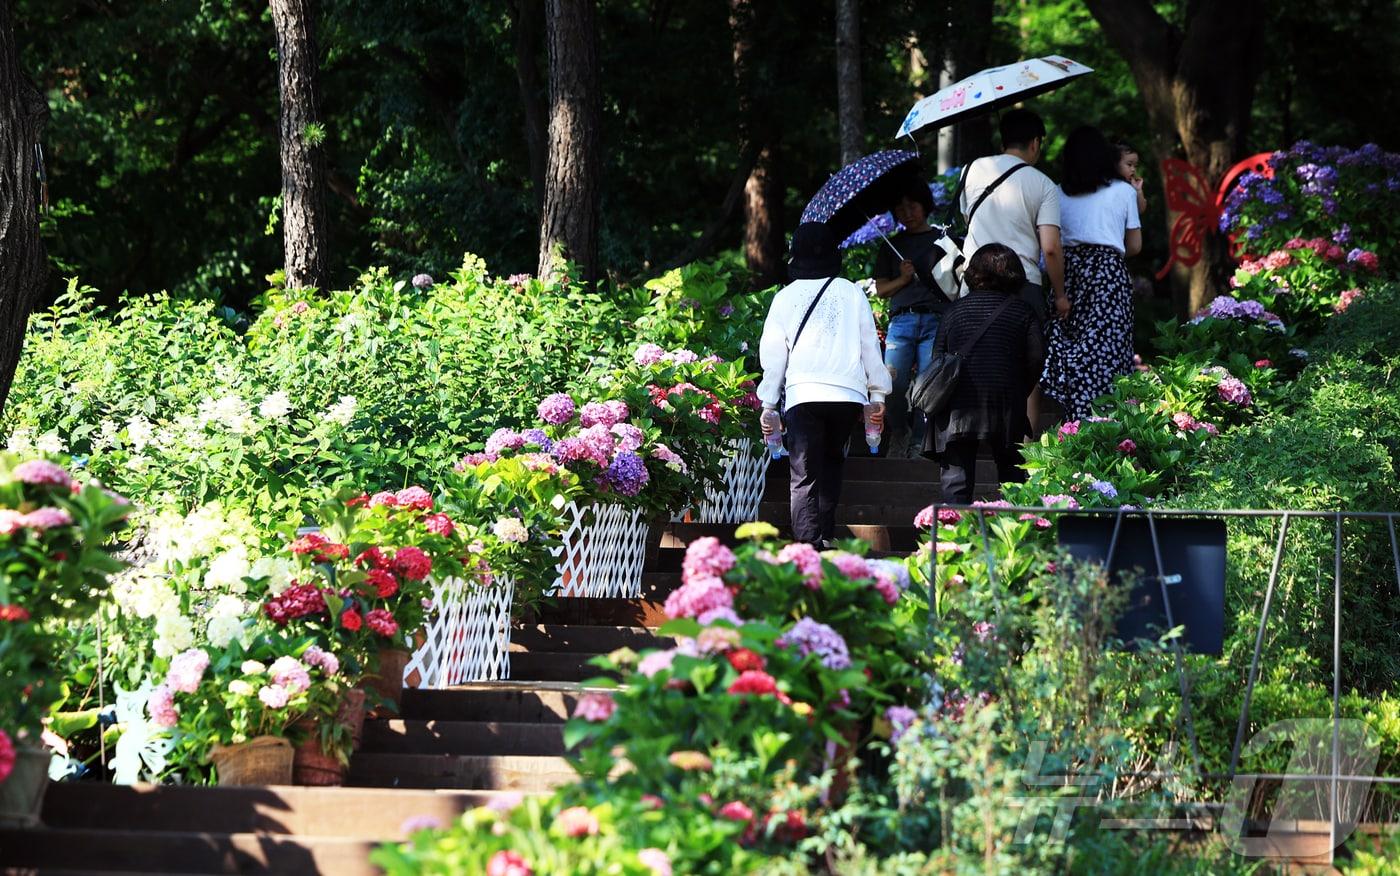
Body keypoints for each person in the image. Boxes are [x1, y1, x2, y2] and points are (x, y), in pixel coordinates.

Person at [757, 222, 891, 548]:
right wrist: (877, 393)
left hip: (804, 393)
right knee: (832, 463)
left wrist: (769, 402)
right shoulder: (852, 292)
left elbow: (774, 355)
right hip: (847, 394)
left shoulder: (785, 297)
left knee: (803, 472)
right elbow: (869, 346)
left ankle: (807, 544)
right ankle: (826, 537)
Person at [957, 108, 1066, 434]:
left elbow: (967, 221)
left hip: (974, 285)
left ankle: (973, 436)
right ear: (1035, 142)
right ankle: (1025, 446)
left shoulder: (971, 170)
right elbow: (1050, 247)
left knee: (974, 360)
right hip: (1024, 285)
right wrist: (1060, 295)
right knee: (1028, 367)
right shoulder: (1043, 184)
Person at [923, 243, 1044, 504]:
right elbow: (1036, 359)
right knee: (1012, 474)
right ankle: (1015, 534)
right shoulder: (1024, 312)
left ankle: (951, 539)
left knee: (956, 480)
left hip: (958, 406)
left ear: (973, 274)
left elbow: (938, 357)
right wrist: (1019, 389)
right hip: (1006, 403)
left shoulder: (954, 311)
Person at [1040, 126, 1143, 420]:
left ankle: (1069, 424)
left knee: (1070, 352)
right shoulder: (1124, 192)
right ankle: (1105, 425)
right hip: (1109, 277)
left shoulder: (1056, 193)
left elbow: (1050, 246)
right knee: (1109, 353)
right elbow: (1134, 246)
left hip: (1067, 273)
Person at [873, 181, 950, 458]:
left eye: (913, 206)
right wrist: (903, 279)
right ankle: (900, 431)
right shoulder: (892, 246)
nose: (907, 213)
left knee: (928, 385)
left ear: (925, 206)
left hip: (935, 320)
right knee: (891, 383)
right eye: (900, 208)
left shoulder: (943, 241)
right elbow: (882, 289)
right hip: (901, 322)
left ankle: (920, 440)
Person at [1115, 140, 1148, 216]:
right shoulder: (1109, 184)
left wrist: (1139, 191)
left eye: (1135, 166)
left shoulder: (1130, 187)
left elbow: (1141, 210)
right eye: (1129, 165)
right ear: (1116, 164)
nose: (1133, 169)